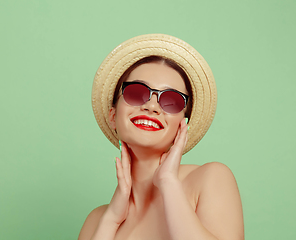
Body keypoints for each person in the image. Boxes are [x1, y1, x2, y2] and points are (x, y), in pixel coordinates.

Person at [78, 34, 244, 240]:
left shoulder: (210, 179)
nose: (151, 106)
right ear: (113, 116)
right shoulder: (97, 220)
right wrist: (111, 220)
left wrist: (168, 182)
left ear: (183, 124)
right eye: (136, 93)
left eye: (171, 100)